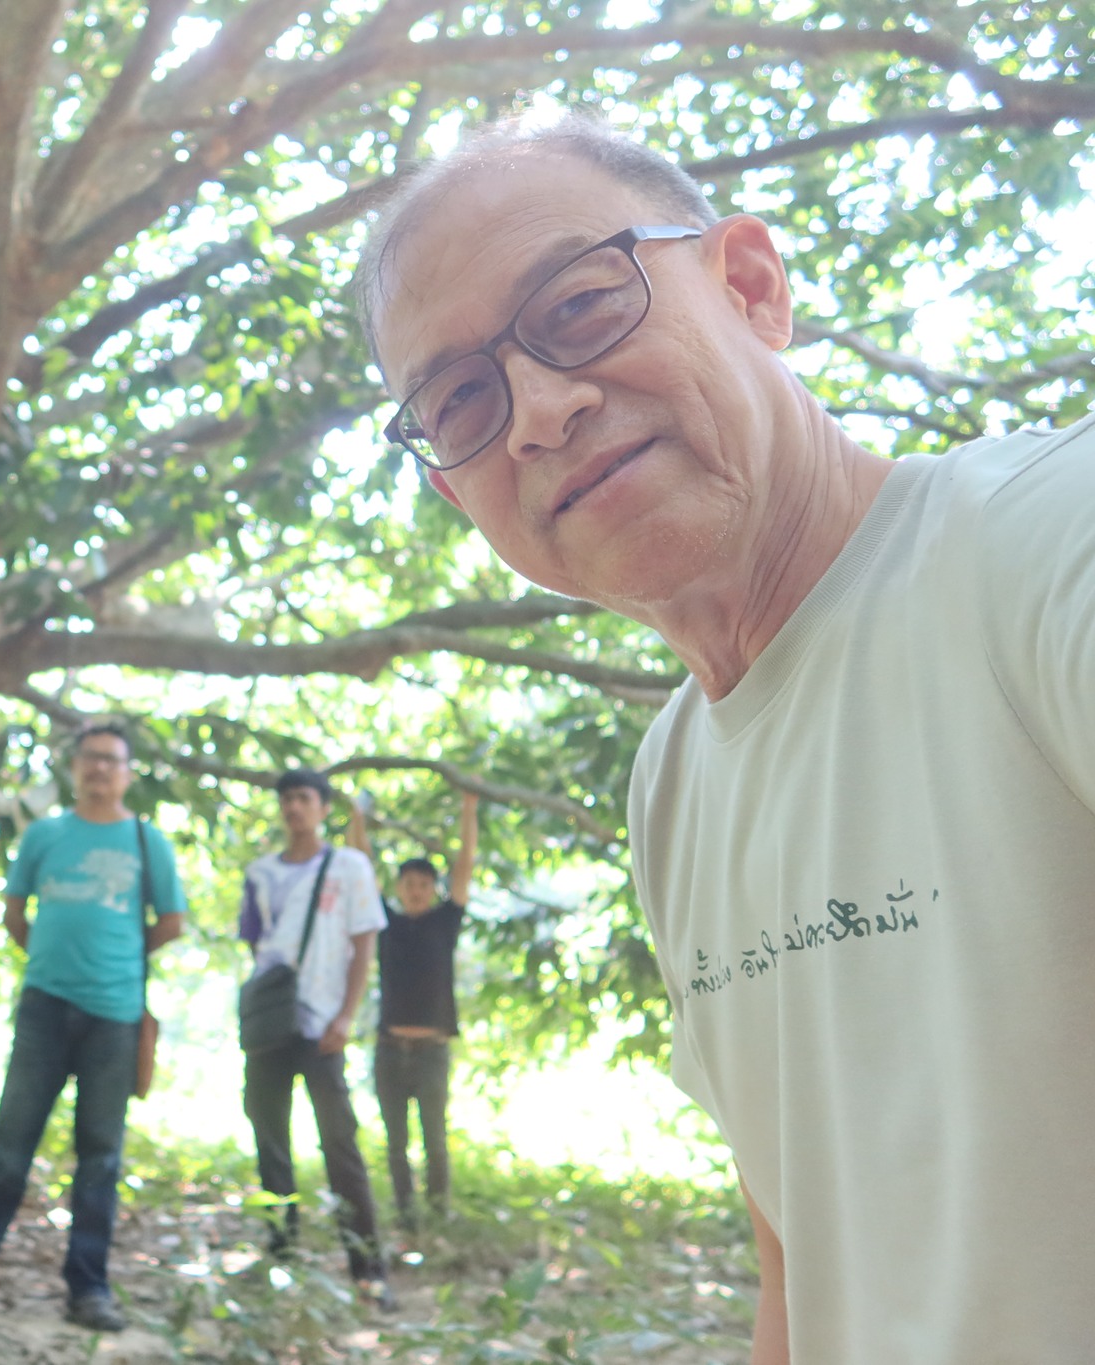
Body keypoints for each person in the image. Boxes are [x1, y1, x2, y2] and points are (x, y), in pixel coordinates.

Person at [357, 112, 1095, 1362]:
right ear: (450, 485)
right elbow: (802, 1267)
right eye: (462, 399)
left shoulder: (1039, 543)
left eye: (579, 306)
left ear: (748, 287)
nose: (538, 410)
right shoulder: (672, 785)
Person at [0, 723, 187, 1333]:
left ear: (128, 773)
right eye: (90, 758)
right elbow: (14, 914)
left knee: (100, 1157)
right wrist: (50, 959)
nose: (100, 769)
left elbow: (172, 921)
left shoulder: (147, 843)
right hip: (44, 1008)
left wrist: (120, 957)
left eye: (111, 760)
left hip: (115, 1016)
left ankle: (89, 1289)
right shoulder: (44, 835)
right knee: (9, 1149)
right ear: (73, 767)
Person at [238, 769, 390, 1300]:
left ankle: (368, 1268)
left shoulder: (349, 867)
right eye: (286, 799)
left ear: (324, 808)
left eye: (304, 798)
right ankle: (282, 1260)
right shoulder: (259, 873)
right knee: (270, 1142)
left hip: (323, 1022)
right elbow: (255, 946)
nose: (293, 807)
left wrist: (346, 1015)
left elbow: (364, 944)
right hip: (269, 1027)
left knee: (340, 1145)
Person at [349, 788, 477, 1232]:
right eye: (409, 885)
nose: (416, 891)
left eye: (424, 885)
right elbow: (361, 864)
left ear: (433, 890)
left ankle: (439, 1215)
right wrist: (357, 817)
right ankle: (406, 1217)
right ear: (399, 889)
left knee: (435, 1141)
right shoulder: (385, 922)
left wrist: (469, 807)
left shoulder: (446, 921)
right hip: (389, 1049)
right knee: (396, 1143)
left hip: (432, 1053)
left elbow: (465, 865)